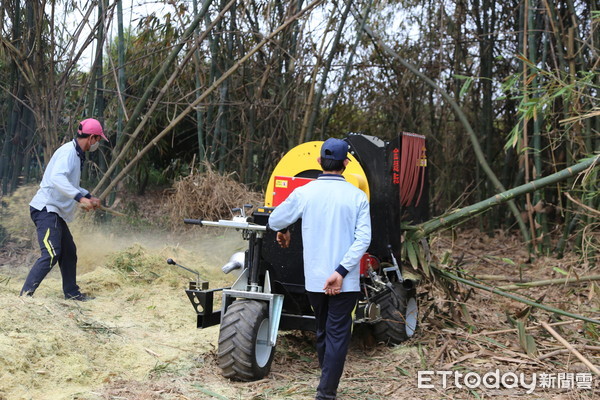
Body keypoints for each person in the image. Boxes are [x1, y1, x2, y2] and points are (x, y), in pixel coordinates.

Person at [268, 138, 371, 400]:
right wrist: (340, 272)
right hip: (344, 282)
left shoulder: (305, 192)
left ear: (318, 162)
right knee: (336, 334)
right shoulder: (357, 196)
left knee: (323, 330)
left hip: (314, 280)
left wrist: (285, 229)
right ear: (346, 163)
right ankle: (326, 392)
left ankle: (326, 385)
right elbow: (363, 239)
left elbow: (275, 218)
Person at [20, 118, 108, 301]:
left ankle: (72, 293)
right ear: (92, 138)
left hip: (55, 212)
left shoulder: (76, 154)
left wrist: (89, 196)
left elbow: (70, 183)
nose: (97, 144)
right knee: (52, 253)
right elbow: (57, 179)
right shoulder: (68, 152)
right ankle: (25, 296)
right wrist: (80, 198)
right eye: (98, 140)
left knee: (68, 252)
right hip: (46, 209)